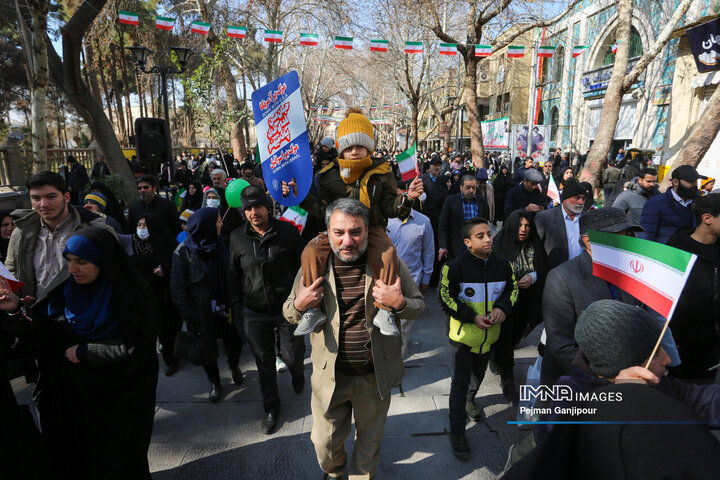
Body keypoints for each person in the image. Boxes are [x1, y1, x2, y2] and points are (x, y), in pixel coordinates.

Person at [283, 198, 424, 479]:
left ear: (367, 230)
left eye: (355, 232)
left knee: (368, 447)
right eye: (339, 232)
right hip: (329, 378)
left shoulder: (387, 262)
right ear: (328, 232)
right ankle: (335, 472)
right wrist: (299, 305)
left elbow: (419, 305)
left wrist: (398, 304)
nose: (348, 241)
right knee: (324, 445)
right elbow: (289, 312)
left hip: (374, 378)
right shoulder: (315, 264)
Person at [0, 227, 158, 479]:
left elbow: (141, 349)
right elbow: (49, 335)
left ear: (102, 260)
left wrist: (88, 351)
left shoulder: (131, 296)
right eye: (69, 261)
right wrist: (17, 310)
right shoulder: (65, 291)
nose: (73, 269)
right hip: (73, 400)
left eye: (82, 262)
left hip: (118, 404)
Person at [504, 300, 720, 479]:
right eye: (655, 353)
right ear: (625, 367)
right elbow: (558, 445)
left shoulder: (653, 381)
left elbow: (704, 399)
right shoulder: (568, 399)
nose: (668, 359)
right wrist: (621, 397)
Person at [286, 108, 423, 338]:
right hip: (337, 232)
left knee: (388, 253)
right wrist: (300, 195)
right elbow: (321, 208)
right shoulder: (329, 175)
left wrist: (407, 197)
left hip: (374, 228)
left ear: (368, 147)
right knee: (310, 251)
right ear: (341, 148)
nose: (355, 151)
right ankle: (312, 309)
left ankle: (385, 310)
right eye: (348, 147)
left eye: (360, 146)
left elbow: (390, 206)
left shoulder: (382, 171)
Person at [438, 217, 518, 459]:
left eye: (489, 234)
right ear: (467, 242)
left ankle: (470, 400)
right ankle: (457, 431)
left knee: (478, 377)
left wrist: (503, 307)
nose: (487, 239)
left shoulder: (504, 265)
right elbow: (445, 298)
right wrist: (471, 317)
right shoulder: (454, 267)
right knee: (460, 384)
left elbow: (512, 290)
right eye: (480, 236)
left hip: (490, 338)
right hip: (463, 339)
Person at [540, 208, 646, 386]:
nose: (629, 242)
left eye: (630, 235)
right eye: (620, 236)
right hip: (579, 383)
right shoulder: (562, 278)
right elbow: (561, 344)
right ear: (589, 242)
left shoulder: (634, 274)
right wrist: (604, 378)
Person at [230, 186, 305, 434]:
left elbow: (302, 268)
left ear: (268, 207)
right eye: (248, 208)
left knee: (292, 355)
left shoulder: (288, 232)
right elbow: (233, 276)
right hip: (254, 312)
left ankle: (297, 372)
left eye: (257, 207)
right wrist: (238, 309)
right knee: (264, 364)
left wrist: (301, 300)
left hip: (287, 309)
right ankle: (271, 407)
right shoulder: (236, 237)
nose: (253, 212)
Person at [6, 171, 114, 303]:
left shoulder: (95, 231)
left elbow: (115, 273)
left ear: (67, 197)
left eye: (51, 197)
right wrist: (17, 295)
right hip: (36, 312)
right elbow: (12, 270)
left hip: (84, 314)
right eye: (36, 198)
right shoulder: (21, 232)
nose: (43, 204)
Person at [171, 208, 243, 402]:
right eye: (218, 221)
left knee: (233, 341)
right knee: (207, 348)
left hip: (226, 307)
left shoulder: (219, 244)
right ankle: (214, 381)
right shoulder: (183, 253)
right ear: (206, 227)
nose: (221, 224)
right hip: (200, 313)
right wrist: (191, 317)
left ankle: (234, 366)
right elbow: (177, 289)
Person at [491, 210, 546, 404]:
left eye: (527, 226)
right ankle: (508, 379)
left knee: (515, 335)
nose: (523, 230)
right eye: (519, 225)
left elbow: (543, 267)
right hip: (503, 300)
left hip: (526, 301)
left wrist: (533, 277)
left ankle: (499, 360)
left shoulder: (534, 244)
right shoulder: (499, 243)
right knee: (504, 338)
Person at [666, 193, 720, 382]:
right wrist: (671, 335)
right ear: (707, 218)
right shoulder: (676, 249)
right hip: (683, 345)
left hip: (713, 345)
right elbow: (665, 296)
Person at [126, 214, 180, 376]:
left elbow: (174, 261)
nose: (142, 229)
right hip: (142, 295)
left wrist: (164, 267)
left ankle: (170, 360)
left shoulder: (164, 242)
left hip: (163, 294)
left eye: (145, 225)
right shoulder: (132, 244)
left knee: (166, 328)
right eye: (139, 225)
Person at [386, 206, 434, 357]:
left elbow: (428, 252)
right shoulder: (383, 220)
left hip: (411, 282)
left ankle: (396, 365)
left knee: (404, 329)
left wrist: (425, 279)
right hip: (384, 282)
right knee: (384, 326)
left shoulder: (423, 222)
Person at [639, 165, 706, 244]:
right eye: (690, 181)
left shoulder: (700, 202)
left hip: (691, 253)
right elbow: (647, 235)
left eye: (696, 181)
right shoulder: (656, 203)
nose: (694, 185)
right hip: (665, 252)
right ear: (675, 182)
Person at [534, 179, 587, 271]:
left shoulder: (588, 218)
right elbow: (536, 250)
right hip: (555, 274)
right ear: (565, 199)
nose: (581, 202)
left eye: (583, 198)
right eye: (577, 198)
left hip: (582, 272)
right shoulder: (545, 218)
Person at [437, 174, 491, 262]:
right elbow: (443, 225)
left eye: (473, 188)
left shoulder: (481, 201)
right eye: (468, 187)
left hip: (477, 246)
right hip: (457, 247)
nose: (471, 190)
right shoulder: (450, 201)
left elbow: (485, 222)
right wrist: (443, 246)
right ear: (461, 187)